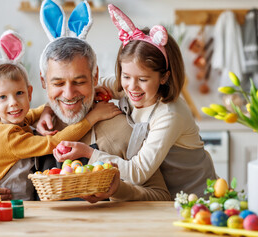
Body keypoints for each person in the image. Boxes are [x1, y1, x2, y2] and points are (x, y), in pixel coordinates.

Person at [0, 0, 171, 202]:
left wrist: (119, 190)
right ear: (43, 81)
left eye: (79, 81)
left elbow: (162, 196)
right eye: (58, 83)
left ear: (95, 78)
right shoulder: (22, 124)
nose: (68, 94)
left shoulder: (119, 129)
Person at [52, 4, 217, 199]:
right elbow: (97, 85)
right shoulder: (128, 87)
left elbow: (138, 172)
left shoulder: (169, 115)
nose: (132, 87)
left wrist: (89, 153)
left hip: (196, 197)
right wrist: (48, 109)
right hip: (166, 199)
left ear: (163, 77)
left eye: (143, 79)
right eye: (126, 76)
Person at [0, 26, 121, 200]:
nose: (13, 103)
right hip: (9, 204)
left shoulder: (14, 121)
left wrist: (49, 108)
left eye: (19, 93)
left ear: (29, 93)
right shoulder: (6, 136)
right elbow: (54, 142)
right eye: (2, 97)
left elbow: (35, 112)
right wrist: (93, 117)